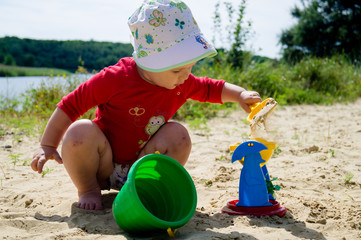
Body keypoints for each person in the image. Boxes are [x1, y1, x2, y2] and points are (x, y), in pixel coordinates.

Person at [31, 0, 261, 210]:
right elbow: (71, 104)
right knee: (79, 131)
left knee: (178, 134)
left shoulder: (181, 82)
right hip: (102, 162)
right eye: (177, 69)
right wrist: (48, 145)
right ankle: (88, 189)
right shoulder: (115, 78)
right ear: (150, 62)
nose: (185, 76)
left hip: (142, 164)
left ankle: (144, 187)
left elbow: (212, 88)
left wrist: (240, 94)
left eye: (190, 67)